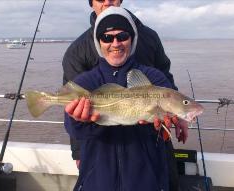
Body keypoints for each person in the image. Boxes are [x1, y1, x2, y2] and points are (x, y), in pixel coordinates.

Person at [62, 0, 187, 190]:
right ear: (98, 41)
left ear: (132, 38)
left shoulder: (150, 41)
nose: (115, 43)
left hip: (144, 163)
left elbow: (167, 83)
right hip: (99, 164)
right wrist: (78, 144)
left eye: (122, 36)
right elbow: (73, 120)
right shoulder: (79, 58)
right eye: (106, 37)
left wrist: (179, 115)